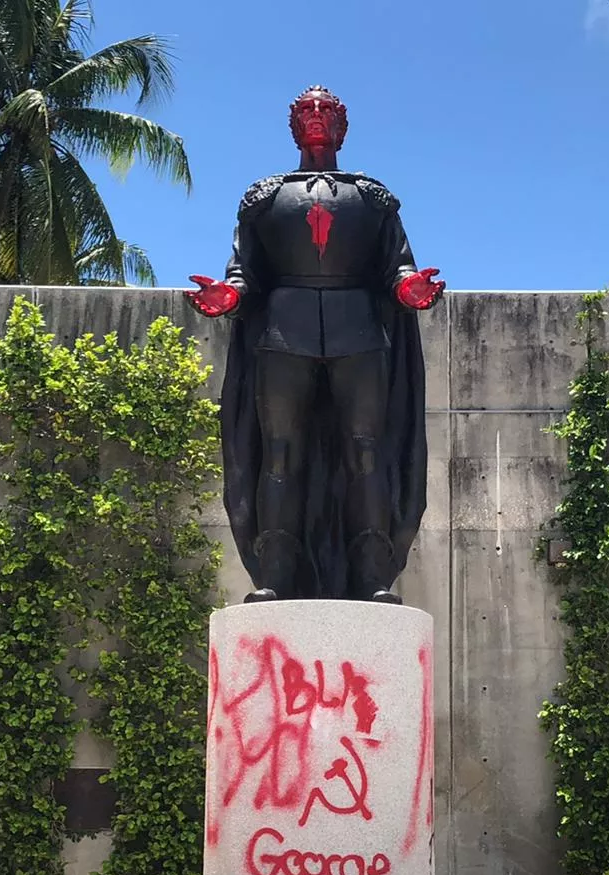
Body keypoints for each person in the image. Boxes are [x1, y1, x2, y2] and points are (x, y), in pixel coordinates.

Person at [186, 86, 445, 604]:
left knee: (367, 451)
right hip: (283, 333)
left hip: (359, 331)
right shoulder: (264, 198)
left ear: (342, 127)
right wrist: (227, 296)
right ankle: (275, 577)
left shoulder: (371, 197)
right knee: (278, 454)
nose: (318, 116)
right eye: (308, 110)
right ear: (294, 125)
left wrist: (409, 288)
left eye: (327, 110)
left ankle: (372, 575)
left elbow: (397, 264)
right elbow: (244, 273)